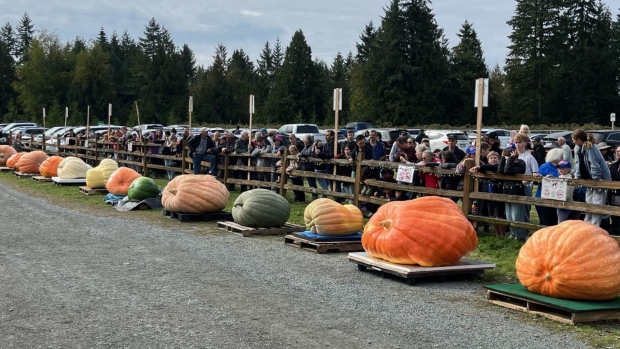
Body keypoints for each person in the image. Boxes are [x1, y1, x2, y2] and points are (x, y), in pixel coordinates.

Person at [573, 129, 611, 226]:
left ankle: (594, 226)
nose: (572, 141)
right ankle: (587, 224)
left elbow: (595, 164)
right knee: (589, 200)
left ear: (578, 139)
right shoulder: (578, 148)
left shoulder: (591, 147)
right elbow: (578, 163)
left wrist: (596, 179)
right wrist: (577, 176)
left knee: (597, 202)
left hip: (599, 178)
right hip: (588, 178)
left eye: (573, 139)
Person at [470, 151, 506, 237]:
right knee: (492, 215)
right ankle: (497, 234)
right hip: (488, 195)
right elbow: (486, 168)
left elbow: (491, 167)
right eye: (491, 158)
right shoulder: (486, 169)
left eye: (495, 158)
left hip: (498, 194)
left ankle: (502, 234)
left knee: (499, 215)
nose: (493, 160)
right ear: (488, 160)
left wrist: (479, 167)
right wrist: (477, 169)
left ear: (499, 159)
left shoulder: (499, 166)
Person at [500, 143, 528, 241]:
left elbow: (508, 170)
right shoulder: (507, 162)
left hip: (516, 192)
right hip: (507, 192)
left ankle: (520, 236)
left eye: (510, 152)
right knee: (509, 216)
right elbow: (500, 170)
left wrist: (512, 158)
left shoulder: (521, 163)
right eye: (507, 153)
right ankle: (513, 234)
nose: (508, 155)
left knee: (517, 216)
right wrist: (503, 158)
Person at [533, 148, 563, 226]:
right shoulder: (545, 166)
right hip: (543, 197)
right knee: (545, 221)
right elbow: (536, 180)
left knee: (554, 222)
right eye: (561, 156)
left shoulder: (560, 167)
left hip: (555, 197)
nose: (563, 157)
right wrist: (545, 178)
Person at [299, 135, 319, 201]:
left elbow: (309, 154)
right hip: (306, 167)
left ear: (308, 140)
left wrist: (302, 155)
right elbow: (301, 153)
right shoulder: (305, 147)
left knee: (312, 183)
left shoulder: (311, 147)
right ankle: (313, 196)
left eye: (304, 139)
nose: (303, 140)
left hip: (310, 167)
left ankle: (315, 196)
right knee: (310, 183)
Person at [556, 160, 575, 224]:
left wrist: (558, 196)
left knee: (561, 223)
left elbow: (568, 195)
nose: (560, 170)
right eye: (559, 168)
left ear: (568, 169)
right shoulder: (560, 177)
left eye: (562, 168)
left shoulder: (570, 179)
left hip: (566, 205)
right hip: (560, 204)